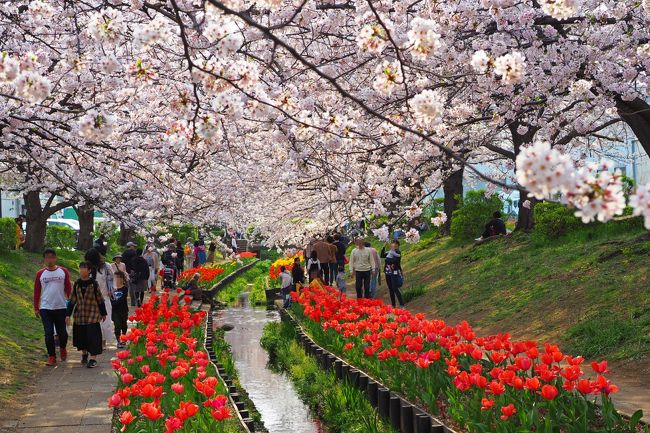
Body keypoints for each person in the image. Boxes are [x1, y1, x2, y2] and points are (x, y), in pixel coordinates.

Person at [34, 249, 72, 366]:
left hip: (61, 307)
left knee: (63, 334)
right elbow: (36, 291)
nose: (49, 260)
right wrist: (36, 307)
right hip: (45, 308)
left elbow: (68, 288)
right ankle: (51, 356)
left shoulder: (63, 271)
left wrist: (70, 304)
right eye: (47, 258)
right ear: (44, 259)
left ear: (55, 258)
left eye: (51, 257)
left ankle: (63, 348)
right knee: (48, 333)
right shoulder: (40, 274)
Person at [66, 262, 107, 368]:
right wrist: (67, 314)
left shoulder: (94, 284)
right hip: (80, 315)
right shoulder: (77, 283)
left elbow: (100, 299)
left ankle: (93, 359)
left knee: (93, 337)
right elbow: (72, 300)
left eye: (84, 268)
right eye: (81, 268)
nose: (82, 270)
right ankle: (84, 354)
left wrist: (103, 313)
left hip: (92, 315)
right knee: (81, 336)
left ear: (89, 271)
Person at [95, 256, 115, 348]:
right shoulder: (91, 266)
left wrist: (111, 291)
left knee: (106, 321)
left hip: (105, 296)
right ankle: (97, 340)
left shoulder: (107, 267)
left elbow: (112, 279)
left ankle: (104, 341)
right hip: (93, 298)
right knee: (96, 322)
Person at [110, 254, 129, 348]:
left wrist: (113, 303)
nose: (118, 279)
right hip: (115, 310)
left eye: (119, 278)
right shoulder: (112, 289)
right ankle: (118, 340)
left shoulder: (124, 289)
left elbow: (121, 299)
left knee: (123, 325)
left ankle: (124, 338)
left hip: (123, 309)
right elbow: (110, 298)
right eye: (116, 278)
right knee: (117, 325)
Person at [381, 240, 405, 307]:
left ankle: (401, 304)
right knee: (390, 289)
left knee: (395, 288)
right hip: (387, 272)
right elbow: (382, 255)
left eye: (395, 244)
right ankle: (393, 305)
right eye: (392, 244)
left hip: (394, 272)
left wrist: (387, 259)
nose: (393, 245)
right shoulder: (389, 252)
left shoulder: (398, 252)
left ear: (397, 245)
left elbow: (394, 261)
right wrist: (384, 246)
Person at [122, 242, 138, 306]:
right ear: (130, 246)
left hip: (125, 272)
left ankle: (124, 302)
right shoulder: (134, 253)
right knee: (132, 288)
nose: (134, 247)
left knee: (125, 287)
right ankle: (133, 303)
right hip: (132, 272)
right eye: (133, 246)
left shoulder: (124, 253)